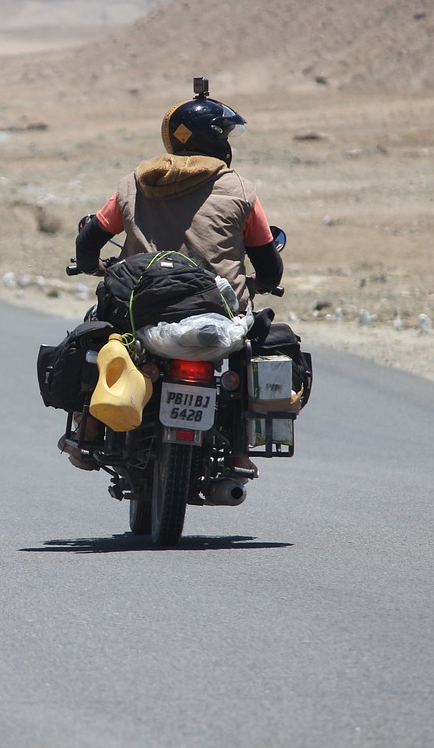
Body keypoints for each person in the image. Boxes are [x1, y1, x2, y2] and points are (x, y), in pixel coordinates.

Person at [72, 79, 283, 477]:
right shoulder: (240, 190)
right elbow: (271, 268)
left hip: (143, 307)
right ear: (218, 141)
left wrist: (92, 266)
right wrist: (258, 282)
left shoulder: (135, 183)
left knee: (98, 337)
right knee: (244, 352)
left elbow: (89, 242)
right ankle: (239, 451)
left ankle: (89, 430)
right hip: (217, 310)